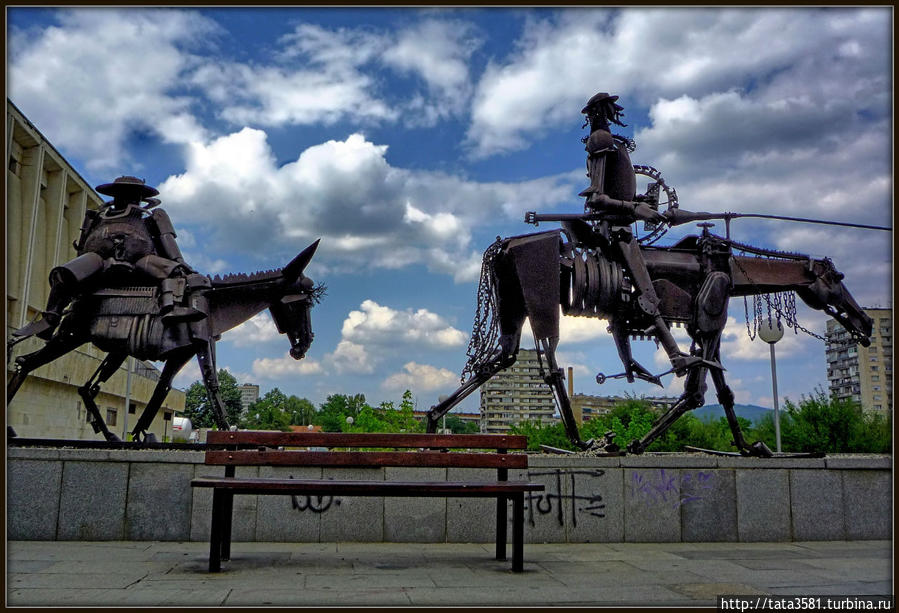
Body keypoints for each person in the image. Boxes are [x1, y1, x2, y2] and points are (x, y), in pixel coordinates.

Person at [578, 93, 711, 381]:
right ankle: (675, 356)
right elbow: (598, 199)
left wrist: (643, 203)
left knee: (624, 301)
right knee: (648, 294)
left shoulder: (610, 142)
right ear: (600, 111)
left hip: (622, 228)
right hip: (616, 234)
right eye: (610, 107)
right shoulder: (601, 141)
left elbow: (614, 193)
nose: (615, 111)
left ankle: (629, 364)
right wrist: (634, 208)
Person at [11, 176, 196, 342]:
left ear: (140, 197)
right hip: (99, 260)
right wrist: (80, 271)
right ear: (115, 195)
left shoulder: (153, 217)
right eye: (122, 194)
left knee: (175, 272)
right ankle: (51, 318)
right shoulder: (97, 216)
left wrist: (180, 263)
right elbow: (83, 247)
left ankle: (170, 310)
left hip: (141, 260)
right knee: (62, 273)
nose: (128, 197)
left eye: (133, 194)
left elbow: (167, 242)